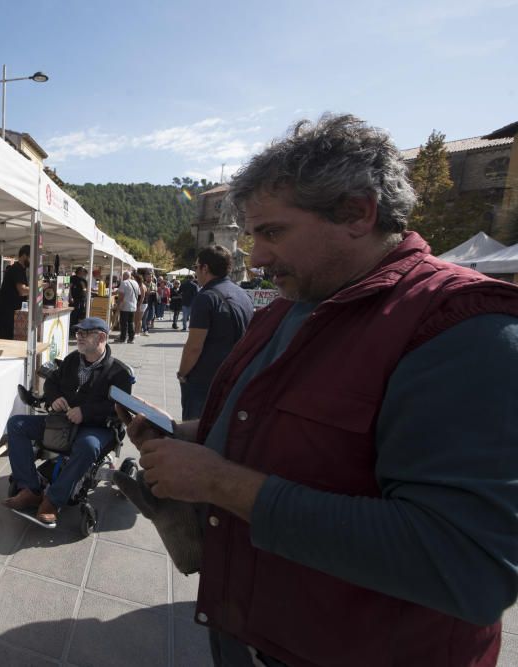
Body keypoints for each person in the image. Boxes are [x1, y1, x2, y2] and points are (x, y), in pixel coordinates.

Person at [125, 114, 518, 667]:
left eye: (273, 232)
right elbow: (288, 431)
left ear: (358, 213)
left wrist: (217, 480)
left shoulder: (463, 325)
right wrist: (192, 434)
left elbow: (467, 566)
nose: (256, 258)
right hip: (249, 628)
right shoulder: (289, 307)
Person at [2, 317, 133, 526]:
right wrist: (54, 398)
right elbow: (52, 383)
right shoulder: (73, 360)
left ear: (101, 337)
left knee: (87, 446)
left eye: (85, 334)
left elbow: (119, 409)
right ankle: (31, 489)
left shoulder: (119, 373)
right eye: (78, 333)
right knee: (17, 425)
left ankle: (53, 501)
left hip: (97, 427)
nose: (78, 337)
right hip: (63, 422)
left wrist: (85, 412)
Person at [176, 246, 253, 420]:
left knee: (194, 435)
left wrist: (182, 373)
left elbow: (194, 346)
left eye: (196, 267)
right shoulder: (243, 295)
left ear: (205, 268)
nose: (195, 272)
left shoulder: (206, 297)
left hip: (206, 381)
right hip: (235, 377)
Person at [0, 245, 30, 339]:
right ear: (24, 255)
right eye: (31, 257)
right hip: (8, 314)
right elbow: (22, 291)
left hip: (11, 313)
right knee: (7, 342)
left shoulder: (20, 269)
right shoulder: (17, 269)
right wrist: (38, 288)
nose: (32, 261)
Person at [116, 270, 139, 343]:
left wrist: (118, 304)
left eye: (123, 276)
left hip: (125, 306)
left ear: (125, 276)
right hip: (133, 306)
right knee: (131, 322)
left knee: (124, 323)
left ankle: (123, 338)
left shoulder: (124, 283)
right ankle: (131, 338)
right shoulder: (135, 283)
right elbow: (139, 294)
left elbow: (121, 296)